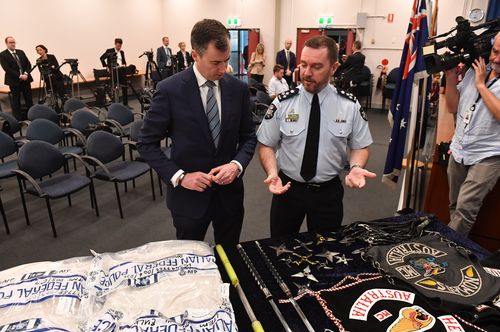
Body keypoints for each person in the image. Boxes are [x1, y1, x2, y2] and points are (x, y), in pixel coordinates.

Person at [138, 19, 257, 247]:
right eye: (215, 63)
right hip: (188, 200)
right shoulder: (169, 90)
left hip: (229, 197)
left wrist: (236, 165)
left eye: (226, 61)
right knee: (189, 263)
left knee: (230, 257)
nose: (224, 69)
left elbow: (249, 137)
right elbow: (146, 144)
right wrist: (180, 177)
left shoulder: (238, 89)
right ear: (195, 55)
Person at [257, 36, 375, 238]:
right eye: (303, 65)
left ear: (334, 67)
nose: (307, 73)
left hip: (327, 193)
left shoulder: (349, 105)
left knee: (326, 252)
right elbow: (266, 144)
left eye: (317, 66)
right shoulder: (283, 103)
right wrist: (271, 171)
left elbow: (360, 146)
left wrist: (356, 167)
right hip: (287, 189)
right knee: (280, 249)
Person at [444, 32, 500, 237]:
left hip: (488, 154)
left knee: (465, 208)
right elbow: (452, 106)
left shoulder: (479, 77)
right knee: (455, 203)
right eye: (495, 51)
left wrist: (481, 86)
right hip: (460, 148)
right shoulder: (475, 70)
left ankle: (448, 251)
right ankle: (457, 245)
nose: (496, 58)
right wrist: (450, 78)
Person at [0, 36, 33, 120]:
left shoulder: (21, 52)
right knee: (16, 101)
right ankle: (18, 120)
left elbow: (28, 64)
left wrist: (25, 73)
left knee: (29, 99)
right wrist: (20, 75)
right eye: (10, 42)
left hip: (26, 79)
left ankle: (32, 117)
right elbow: (7, 68)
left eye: (14, 42)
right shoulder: (3, 54)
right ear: (6, 44)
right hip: (14, 81)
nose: (13, 44)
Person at [35, 44, 66, 109]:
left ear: (44, 50)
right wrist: (51, 67)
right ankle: (56, 107)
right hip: (48, 80)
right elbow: (41, 71)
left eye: (40, 50)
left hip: (57, 77)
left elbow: (56, 66)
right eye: (37, 51)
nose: (39, 52)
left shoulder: (51, 56)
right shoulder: (38, 60)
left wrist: (51, 68)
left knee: (61, 93)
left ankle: (64, 106)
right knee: (53, 94)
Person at [100, 38, 128, 106]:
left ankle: (125, 104)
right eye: (118, 46)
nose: (119, 47)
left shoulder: (122, 52)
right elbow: (101, 58)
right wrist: (106, 66)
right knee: (114, 87)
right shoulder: (109, 51)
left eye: (120, 46)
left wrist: (124, 64)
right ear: (115, 44)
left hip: (121, 70)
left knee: (125, 86)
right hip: (114, 71)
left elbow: (123, 61)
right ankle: (115, 104)